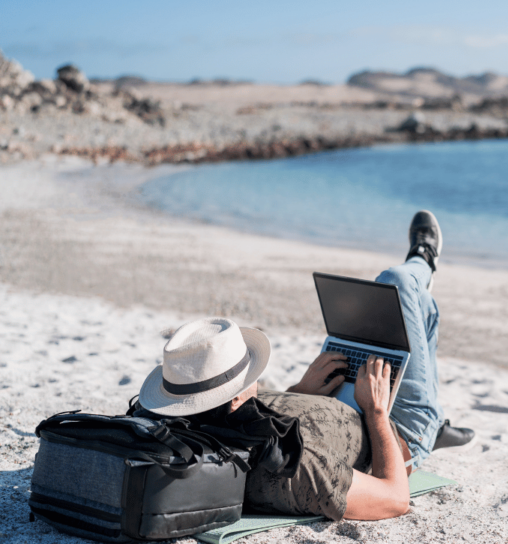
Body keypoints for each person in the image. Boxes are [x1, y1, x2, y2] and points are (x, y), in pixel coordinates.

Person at [134, 210, 473, 521]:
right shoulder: (293, 463)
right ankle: (423, 260)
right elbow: (395, 498)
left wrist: (300, 391)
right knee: (399, 283)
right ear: (235, 398)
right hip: (399, 428)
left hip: (343, 400)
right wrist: (377, 413)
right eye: (247, 372)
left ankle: (422, 279)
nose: (255, 376)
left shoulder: (191, 424)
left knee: (408, 309)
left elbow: (250, 412)